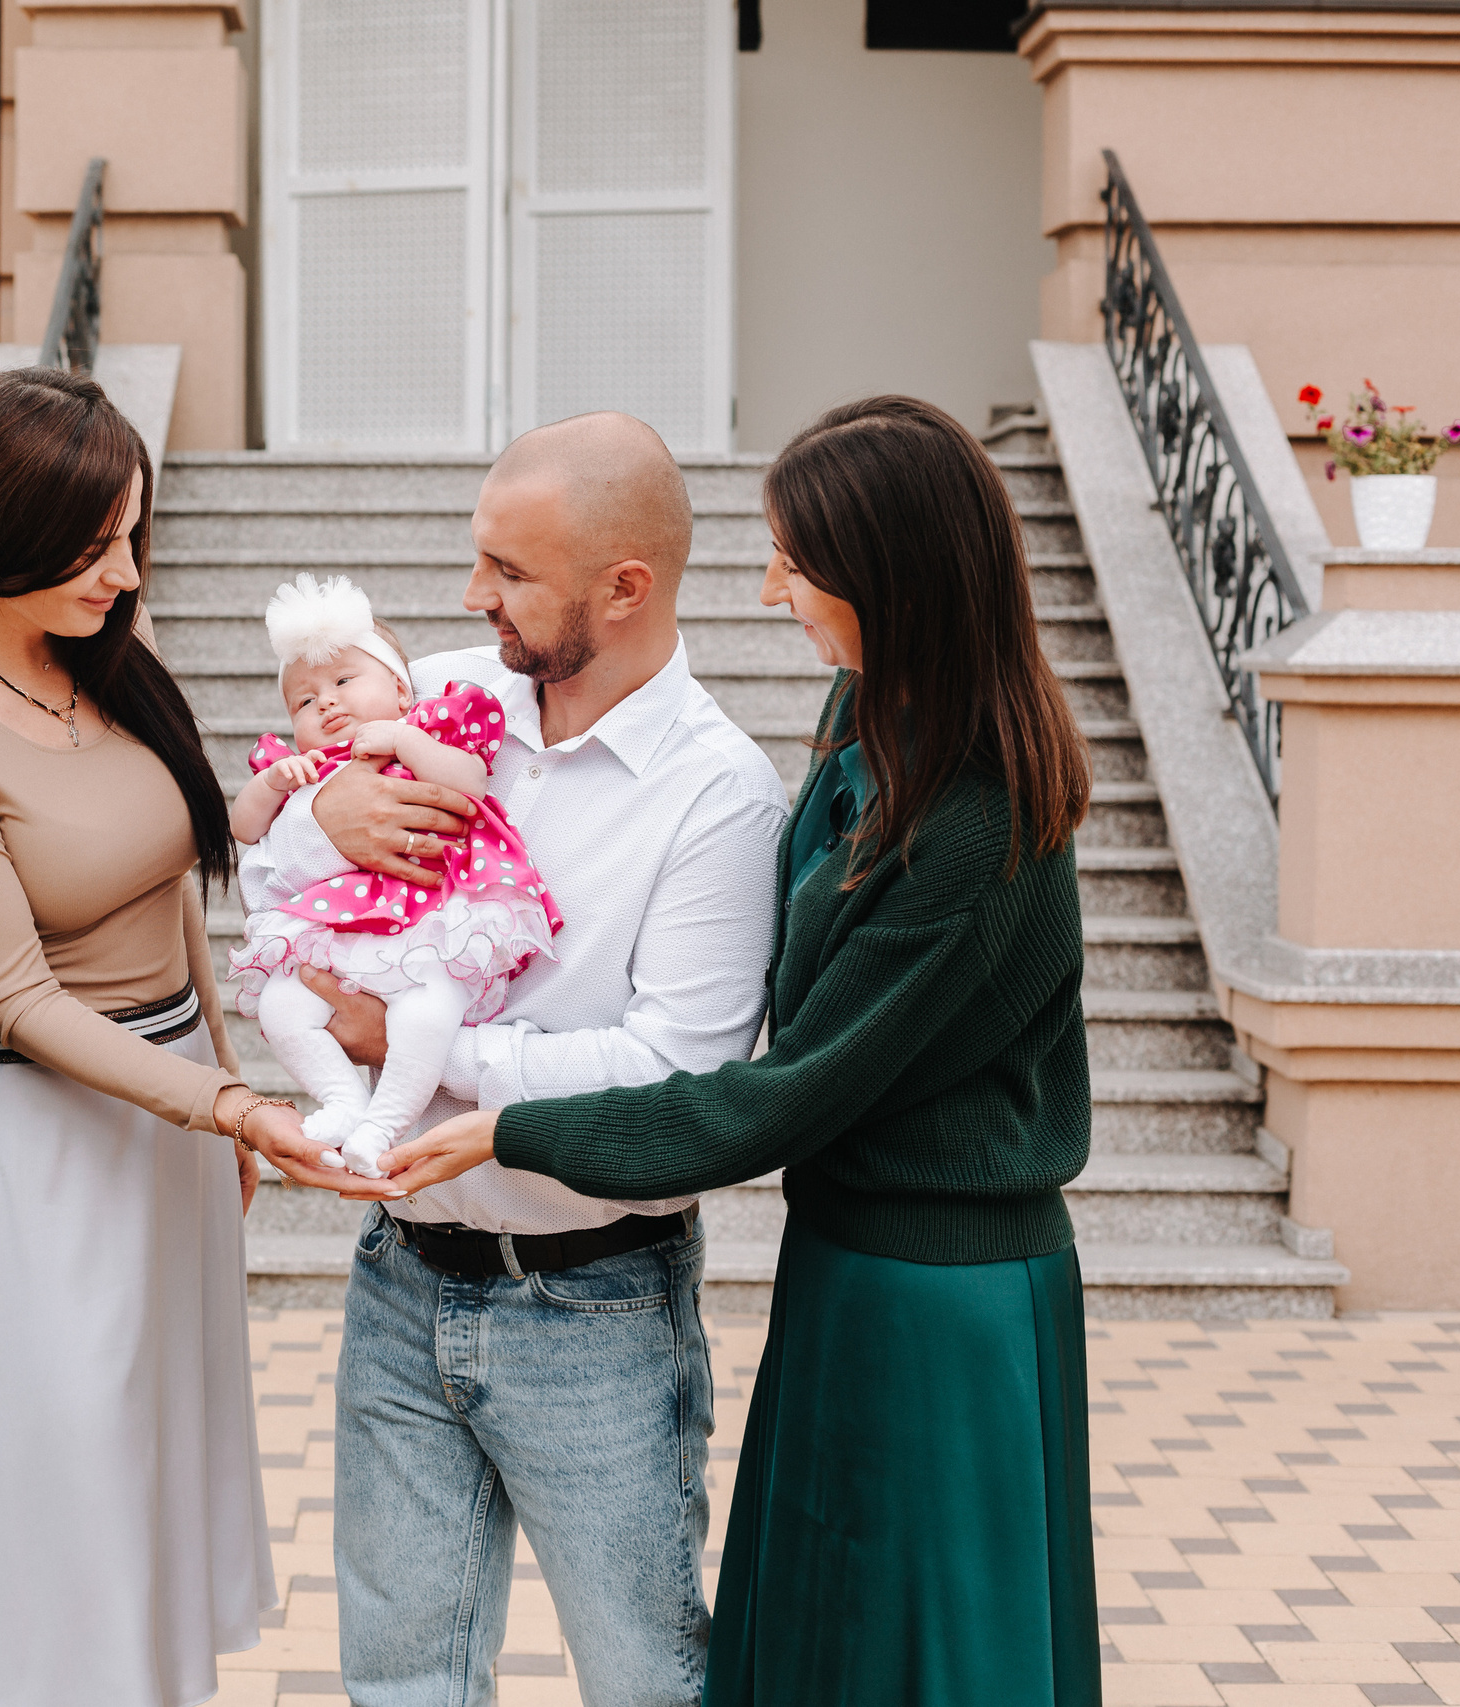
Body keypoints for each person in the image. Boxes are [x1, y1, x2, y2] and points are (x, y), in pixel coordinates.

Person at [384, 397, 1101, 1706]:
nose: (770, 586)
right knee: (822, 1645)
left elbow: (785, 1092)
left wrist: (512, 1117)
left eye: (797, 560)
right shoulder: (874, 715)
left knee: (934, 1653)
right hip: (852, 1273)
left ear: (895, 584)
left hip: (948, 1305)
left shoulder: (978, 818)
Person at [247, 411, 788, 1705]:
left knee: (647, 1679)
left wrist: (416, 1043)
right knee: (398, 1680)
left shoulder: (717, 794)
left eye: (508, 570)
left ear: (625, 586)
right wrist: (324, 801)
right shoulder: (451, 692)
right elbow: (289, 801)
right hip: (399, 1273)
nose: (471, 594)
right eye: (477, 557)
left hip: (593, 1304)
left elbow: (676, 1068)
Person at [0, 367, 364, 1707]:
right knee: (69, 1484)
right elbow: (16, 996)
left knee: (157, 1460)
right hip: (51, 1138)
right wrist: (229, 1110)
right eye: (92, 547)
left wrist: (228, 1078)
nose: (124, 570)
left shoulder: (101, 658)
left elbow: (173, 873)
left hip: (174, 1107)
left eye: (133, 535)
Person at [228, 573, 561, 1175]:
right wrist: (272, 785)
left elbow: (470, 782)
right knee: (281, 1002)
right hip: (344, 934)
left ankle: (385, 1123)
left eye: (344, 681)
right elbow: (246, 831)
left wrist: (405, 739)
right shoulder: (305, 769)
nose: (325, 701)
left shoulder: (433, 728)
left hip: (433, 921)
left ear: (404, 691)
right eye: (304, 700)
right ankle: (340, 1096)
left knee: (427, 1011)